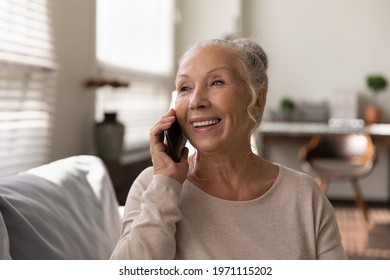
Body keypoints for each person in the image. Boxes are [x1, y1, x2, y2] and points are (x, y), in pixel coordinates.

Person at [110, 38, 347, 260]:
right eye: (185, 88)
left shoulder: (304, 196)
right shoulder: (152, 186)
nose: (195, 101)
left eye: (216, 82)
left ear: (257, 101)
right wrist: (165, 186)